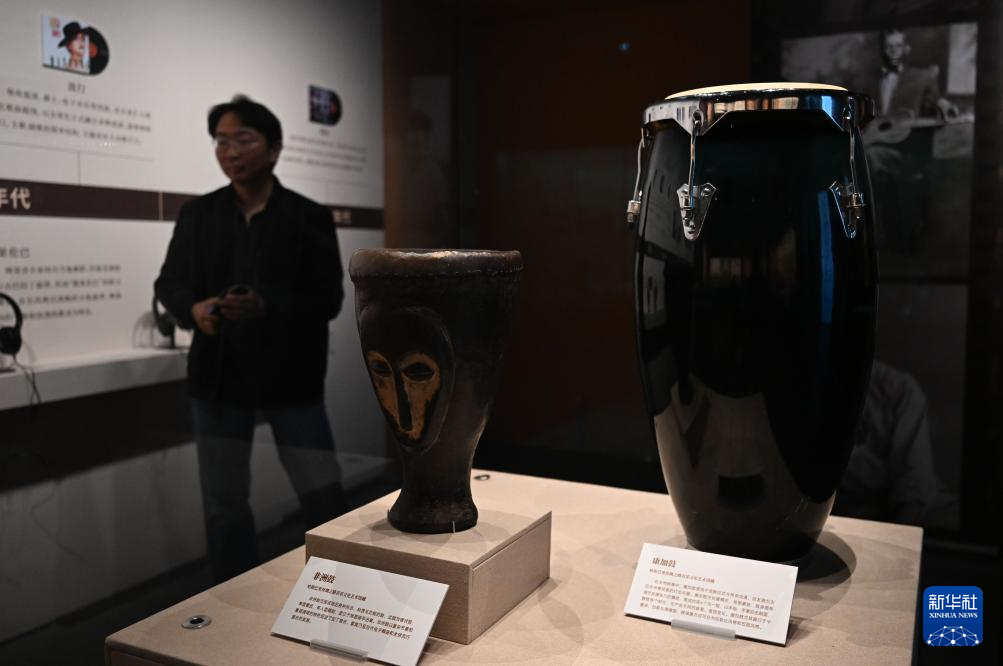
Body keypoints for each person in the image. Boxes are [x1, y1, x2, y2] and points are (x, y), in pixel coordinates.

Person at [155, 95, 347, 581]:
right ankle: (230, 598)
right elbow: (169, 283)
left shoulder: (308, 216)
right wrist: (194, 310)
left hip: (291, 374)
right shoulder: (198, 214)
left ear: (274, 148)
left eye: (243, 139)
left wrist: (266, 306)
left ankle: (340, 590)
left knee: (321, 492)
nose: (230, 152)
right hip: (219, 374)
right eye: (221, 142)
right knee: (224, 503)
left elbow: (328, 298)